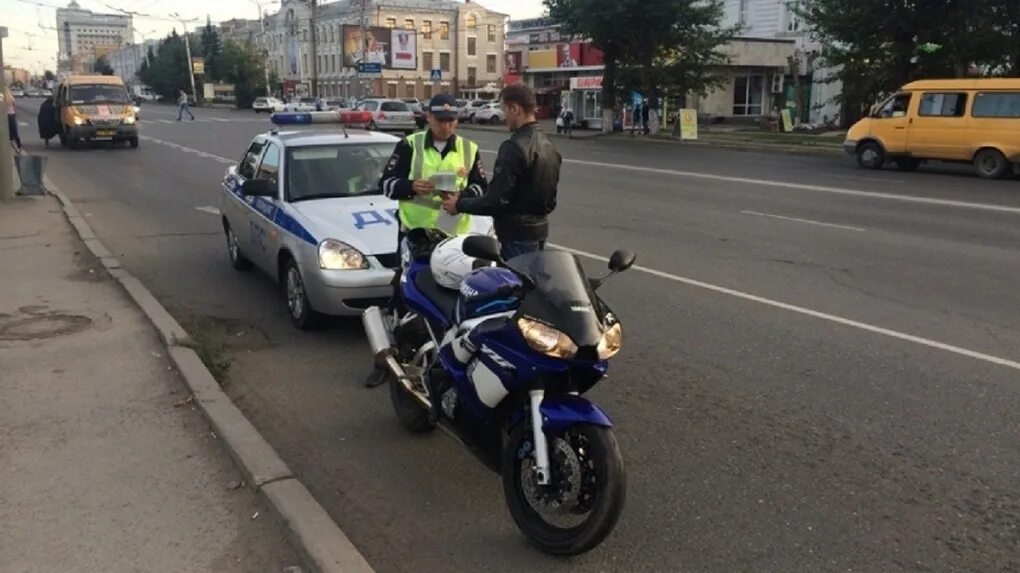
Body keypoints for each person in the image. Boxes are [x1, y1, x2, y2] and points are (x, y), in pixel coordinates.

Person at [364, 93, 488, 387]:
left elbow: (483, 188)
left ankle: (447, 359)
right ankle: (388, 360)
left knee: (455, 298)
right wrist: (410, 186)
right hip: (416, 235)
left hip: (454, 236)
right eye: (441, 120)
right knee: (404, 298)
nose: (447, 126)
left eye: (452, 120)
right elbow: (386, 184)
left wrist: (463, 198)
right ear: (428, 118)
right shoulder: (410, 145)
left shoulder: (469, 149)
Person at [442, 83, 560, 261]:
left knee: (514, 284)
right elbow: (550, 201)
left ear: (515, 108)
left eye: (504, 109)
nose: (504, 116)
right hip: (540, 231)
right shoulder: (548, 144)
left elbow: (495, 201)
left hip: (515, 236)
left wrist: (458, 205)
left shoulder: (513, 147)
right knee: (533, 282)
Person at [5, 87, 22, 153]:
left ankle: (17, 148)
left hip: (7, 115)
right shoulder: (10, 97)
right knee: (14, 132)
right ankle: (18, 147)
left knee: (11, 133)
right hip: (11, 115)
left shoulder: (4, 97)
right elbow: (14, 106)